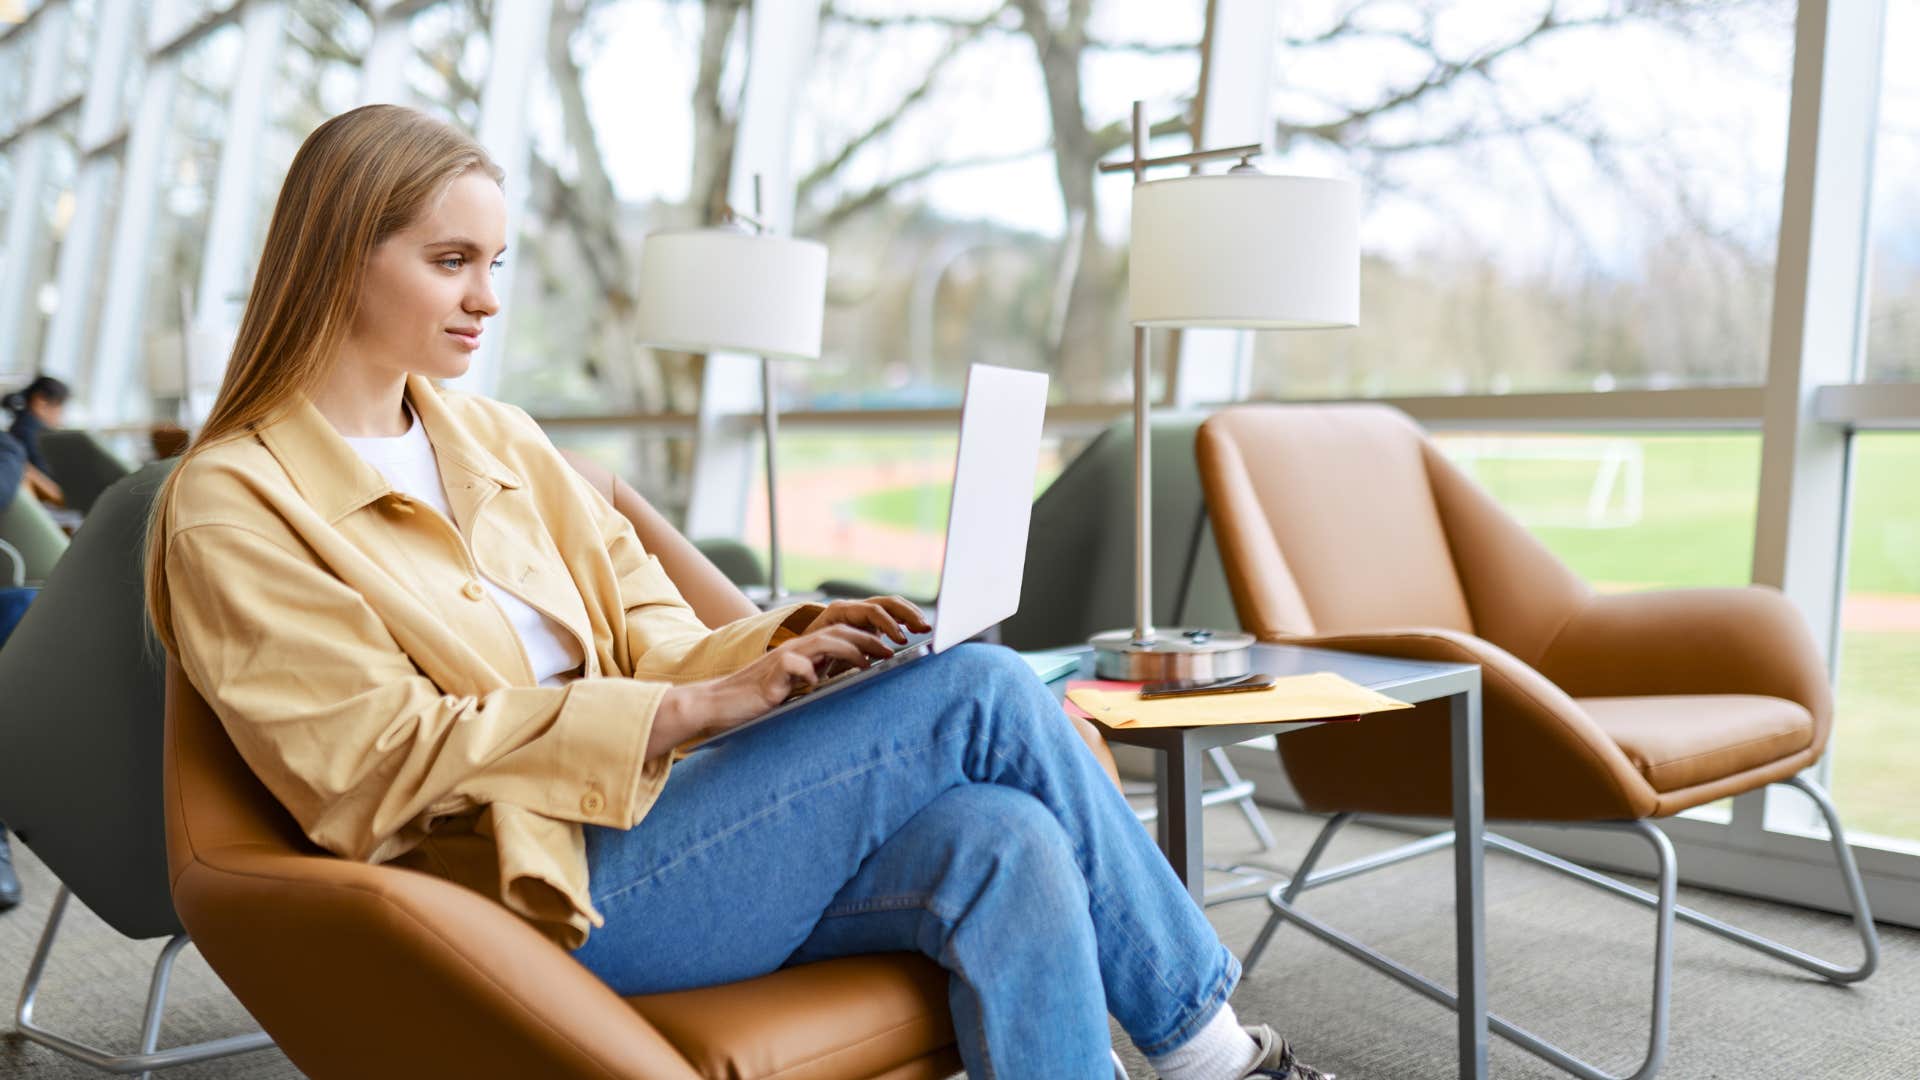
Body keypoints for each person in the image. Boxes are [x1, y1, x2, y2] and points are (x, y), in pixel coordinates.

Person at [143, 105, 1328, 1080]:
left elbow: (651, 627)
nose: (487, 300)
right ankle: (1220, 1062)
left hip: (664, 820)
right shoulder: (235, 503)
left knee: (1005, 837)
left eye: (493, 264)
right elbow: (369, 764)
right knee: (980, 691)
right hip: (532, 888)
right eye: (451, 262)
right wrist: (677, 717)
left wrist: (799, 649)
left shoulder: (493, 438)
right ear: (336, 253)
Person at [3, 375, 69, 508]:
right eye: (59, 409)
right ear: (41, 403)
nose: (61, 418)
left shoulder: (19, 431)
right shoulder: (31, 437)